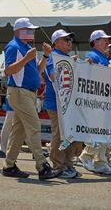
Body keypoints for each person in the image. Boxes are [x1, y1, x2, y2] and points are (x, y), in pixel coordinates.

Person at [0, 18, 59, 180]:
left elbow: (37, 71)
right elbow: (8, 71)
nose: (32, 32)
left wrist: (45, 56)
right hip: (20, 92)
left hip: (27, 93)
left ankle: (9, 165)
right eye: (29, 30)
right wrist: (26, 58)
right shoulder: (13, 46)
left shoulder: (26, 47)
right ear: (19, 31)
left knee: (19, 131)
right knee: (34, 126)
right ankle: (42, 166)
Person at [79, 30, 111, 175]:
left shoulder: (102, 57)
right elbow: (87, 71)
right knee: (98, 130)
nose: (107, 42)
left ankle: (101, 161)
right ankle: (87, 155)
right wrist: (105, 69)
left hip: (104, 101)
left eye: (107, 40)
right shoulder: (93, 55)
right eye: (104, 39)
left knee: (104, 132)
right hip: (96, 101)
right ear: (95, 42)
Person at [44, 29, 82, 179]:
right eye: (66, 40)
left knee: (71, 134)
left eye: (70, 40)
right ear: (56, 43)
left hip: (68, 104)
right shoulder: (52, 57)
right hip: (55, 103)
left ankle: (67, 163)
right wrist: (70, 64)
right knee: (59, 135)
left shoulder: (66, 58)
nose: (69, 42)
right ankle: (58, 166)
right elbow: (53, 76)